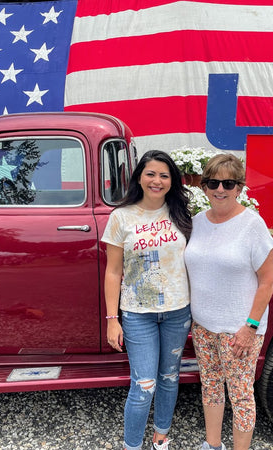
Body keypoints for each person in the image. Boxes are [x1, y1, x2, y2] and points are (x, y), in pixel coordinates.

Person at [184, 154, 273, 450]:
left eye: (228, 183)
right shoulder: (197, 222)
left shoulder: (252, 225)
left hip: (238, 331)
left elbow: (267, 282)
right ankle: (212, 444)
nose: (219, 189)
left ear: (239, 187)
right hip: (203, 327)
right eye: (212, 182)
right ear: (204, 186)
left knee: (240, 395)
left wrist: (250, 327)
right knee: (211, 388)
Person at [102, 150, 193, 450]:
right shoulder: (121, 217)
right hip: (137, 315)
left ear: (172, 181)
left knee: (169, 378)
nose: (157, 180)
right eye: (150, 174)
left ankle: (161, 438)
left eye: (164, 175)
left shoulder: (181, 214)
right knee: (143, 387)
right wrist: (111, 319)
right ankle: (132, 446)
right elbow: (113, 272)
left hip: (178, 312)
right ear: (139, 177)